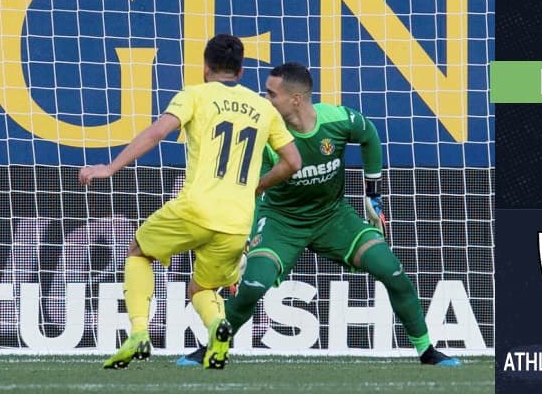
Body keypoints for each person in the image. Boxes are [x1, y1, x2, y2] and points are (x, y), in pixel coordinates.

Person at [178, 62, 462, 367]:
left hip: (333, 217)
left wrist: (372, 193)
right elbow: (254, 191)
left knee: (392, 270)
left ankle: (426, 350)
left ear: (296, 99)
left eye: (272, 94)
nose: (266, 100)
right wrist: (247, 238)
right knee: (253, 286)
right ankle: (212, 347)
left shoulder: (337, 120)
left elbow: (369, 135)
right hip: (281, 221)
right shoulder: (266, 135)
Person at [79, 34, 302, 370]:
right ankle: (217, 329)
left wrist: (110, 167)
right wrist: (256, 187)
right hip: (236, 221)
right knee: (203, 285)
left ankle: (139, 332)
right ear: (241, 70)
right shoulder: (263, 108)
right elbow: (293, 162)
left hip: (196, 208)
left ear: (205, 67)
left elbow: (157, 133)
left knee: (139, 251)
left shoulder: (194, 95)